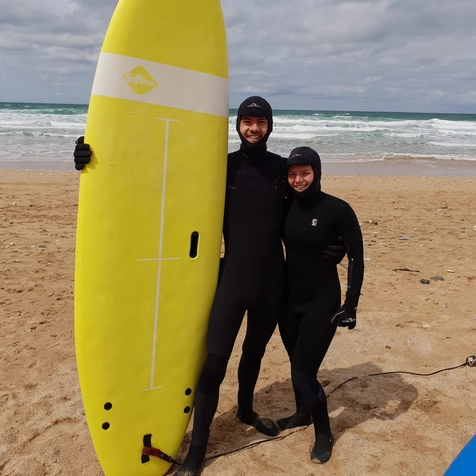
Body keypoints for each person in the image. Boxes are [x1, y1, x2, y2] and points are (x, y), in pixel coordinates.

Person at [73, 98, 345, 475]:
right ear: (237, 126)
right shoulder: (222, 166)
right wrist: (97, 158)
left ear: (270, 126)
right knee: (213, 364)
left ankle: (246, 409)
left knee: (254, 352)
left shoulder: (283, 170)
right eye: (247, 121)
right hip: (231, 280)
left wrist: (335, 243)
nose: (253, 128)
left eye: (260, 122)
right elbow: (162, 177)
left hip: (272, 284)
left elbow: (310, 206)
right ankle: (197, 450)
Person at [277, 146, 364, 465]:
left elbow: (356, 256)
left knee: (303, 374)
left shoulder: (337, 209)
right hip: (289, 301)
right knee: (293, 360)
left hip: (321, 302)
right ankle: (302, 413)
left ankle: (324, 433)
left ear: (317, 173)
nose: (298, 180)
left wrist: (350, 304)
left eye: (305, 173)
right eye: (292, 174)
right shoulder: (284, 206)